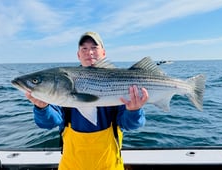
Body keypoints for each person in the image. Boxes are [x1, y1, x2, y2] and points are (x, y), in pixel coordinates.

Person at [25, 31, 149, 170]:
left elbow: (131, 125)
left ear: (103, 52)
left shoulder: (120, 81)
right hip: (71, 165)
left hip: (108, 166)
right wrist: (42, 108)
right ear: (78, 55)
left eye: (94, 47)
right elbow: (49, 123)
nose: (89, 52)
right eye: (84, 48)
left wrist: (134, 111)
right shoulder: (62, 87)